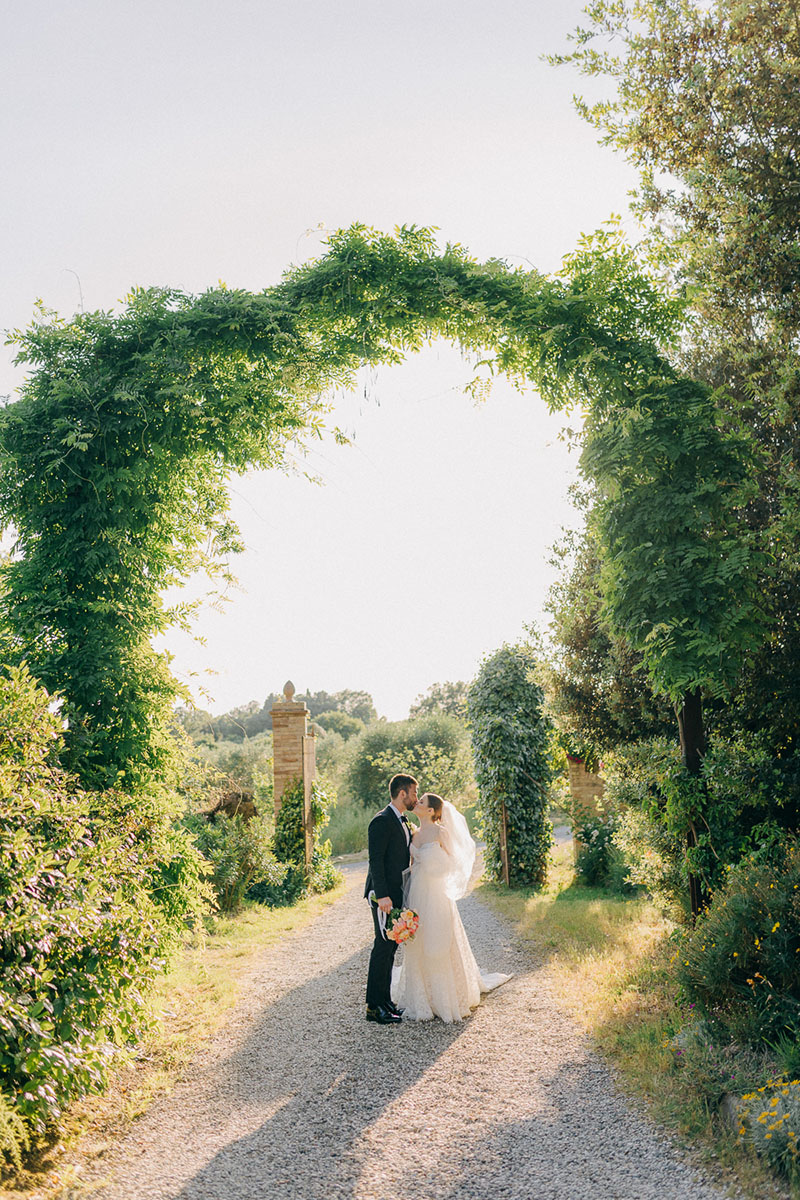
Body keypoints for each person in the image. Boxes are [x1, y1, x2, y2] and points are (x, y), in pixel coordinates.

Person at [391, 792, 511, 1023]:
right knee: (421, 940)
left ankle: (446, 997)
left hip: (437, 895)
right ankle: (422, 996)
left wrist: (435, 864)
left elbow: (455, 862)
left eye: (422, 801)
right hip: (418, 894)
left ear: (431, 811)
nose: (417, 802)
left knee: (439, 941)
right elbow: (411, 866)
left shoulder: (441, 833)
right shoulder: (414, 834)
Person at [364, 773, 418, 1024]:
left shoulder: (402, 821)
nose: (415, 798)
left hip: (397, 893)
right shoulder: (382, 821)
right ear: (402, 793)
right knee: (382, 947)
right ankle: (374, 1007)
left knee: (391, 947)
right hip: (382, 895)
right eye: (413, 793)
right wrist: (383, 895)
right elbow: (375, 861)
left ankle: (385, 1001)